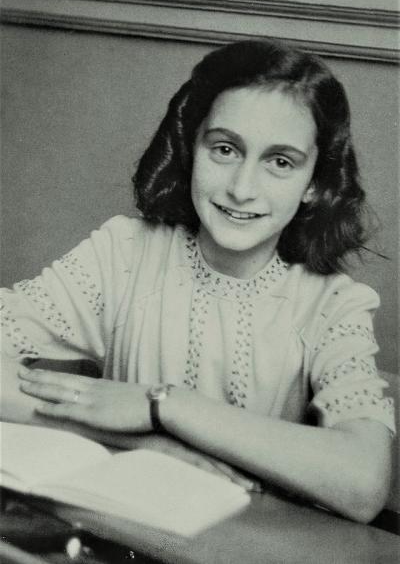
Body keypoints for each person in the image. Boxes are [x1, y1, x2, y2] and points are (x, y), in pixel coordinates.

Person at [1, 39, 395, 524]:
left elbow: (364, 482)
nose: (242, 188)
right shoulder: (124, 253)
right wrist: (135, 439)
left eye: (280, 162)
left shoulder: (333, 304)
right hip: (125, 526)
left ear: (315, 182)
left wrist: (165, 407)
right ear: (191, 148)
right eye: (225, 149)